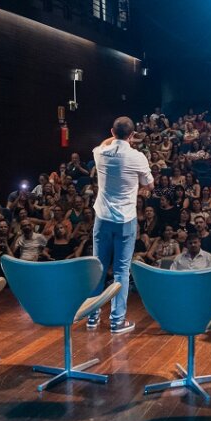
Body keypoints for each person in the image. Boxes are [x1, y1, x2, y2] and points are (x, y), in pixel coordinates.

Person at [89, 116, 155, 334]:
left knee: (98, 267)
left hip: (102, 217)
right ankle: (117, 321)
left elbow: (106, 143)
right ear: (132, 135)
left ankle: (92, 316)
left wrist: (118, 138)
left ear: (111, 131)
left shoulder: (100, 153)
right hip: (125, 220)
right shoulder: (137, 156)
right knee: (121, 271)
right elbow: (150, 185)